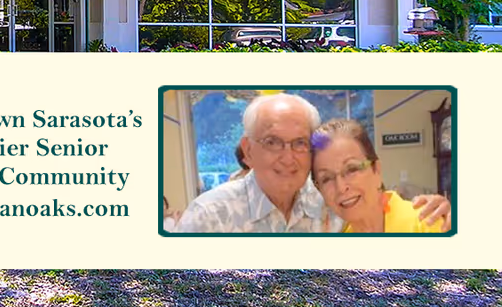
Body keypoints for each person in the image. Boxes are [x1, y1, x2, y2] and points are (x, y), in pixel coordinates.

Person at [174, 93, 449, 233]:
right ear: (248, 151)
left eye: (300, 143)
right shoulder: (207, 217)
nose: (287, 156)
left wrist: (442, 211)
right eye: (272, 142)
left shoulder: (333, 211)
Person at [312, 119, 445, 233]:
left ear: (376, 169)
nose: (340, 187)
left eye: (352, 169)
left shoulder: (429, 224)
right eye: (326, 179)